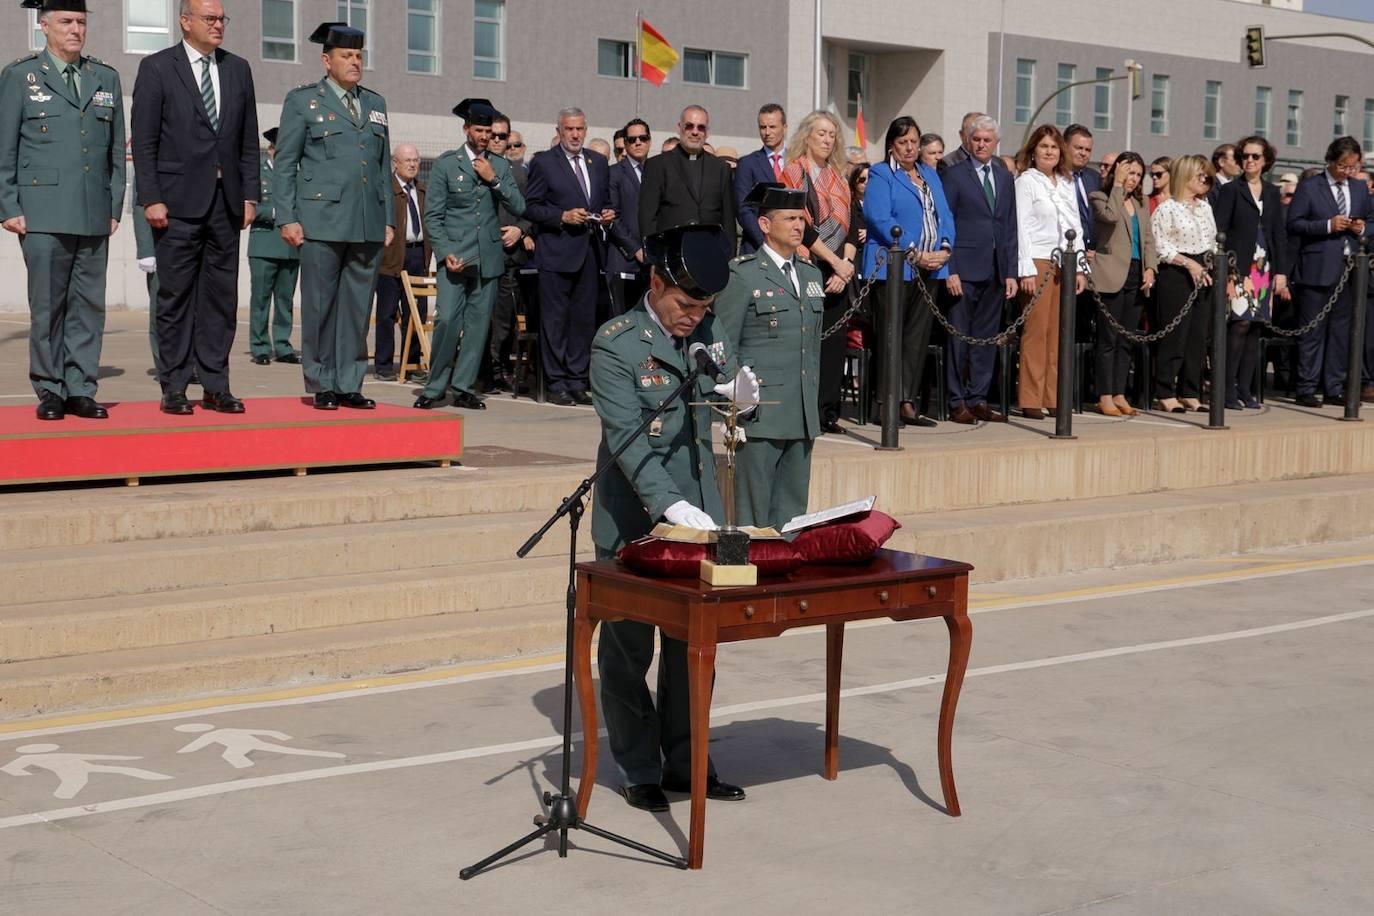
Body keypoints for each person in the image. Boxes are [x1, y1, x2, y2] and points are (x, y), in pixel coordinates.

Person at [590, 225, 755, 813]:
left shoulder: (706, 329)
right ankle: (639, 768)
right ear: (655, 283)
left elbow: (724, 396)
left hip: (700, 516)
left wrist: (741, 400)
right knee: (628, 649)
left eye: (704, 308)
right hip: (636, 517)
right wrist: (669, 506)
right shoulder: (616, 344)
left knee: (694, 645)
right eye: (685, 305)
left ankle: (688, 762)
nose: (694, 317)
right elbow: (629, 441)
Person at [132, 0, 258, 416]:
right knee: (175, 297)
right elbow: (144, 141)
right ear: (185, 21)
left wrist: (250, 195)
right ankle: (174, 386)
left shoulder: (238, 69)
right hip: (176, 204)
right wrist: (151, 197)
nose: (218, 25)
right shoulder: (157, 68)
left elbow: (247, 140)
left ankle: (216, 386)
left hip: (226, 204)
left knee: (221, 300)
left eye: (222, 18)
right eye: (210, 18)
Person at [0, 0, 124, 421]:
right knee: (49, 305)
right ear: (44, 26)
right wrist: (8, 205)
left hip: (93, 211)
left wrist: (114, 205)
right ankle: (50, 388)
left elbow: (115, 153)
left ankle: (81, 388)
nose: (75, 29)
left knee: (88, 306)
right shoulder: (21, 76)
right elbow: (5, 148)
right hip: (42, 212)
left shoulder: (105, 77)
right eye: (67, 21)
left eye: (81, 22)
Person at [273, 22, 393, 411]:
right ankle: (322, 382)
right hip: (320, 221)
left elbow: (381, 166)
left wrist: (388, 219)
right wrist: (287, 216)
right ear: (327, 61)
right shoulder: (304, 101)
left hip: (366, 222)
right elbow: (285, 162)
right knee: (320, 307)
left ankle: (349, 382)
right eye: (346, 55)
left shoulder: (375, 104)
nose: (355, 62)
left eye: (359, 55)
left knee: (357, 310)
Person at [715, 183, 822, 527]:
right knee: (754, 518)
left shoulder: (810, 273)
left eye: (801, 219)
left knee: (792, 518)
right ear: (764, 224)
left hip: (801, 413)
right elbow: (722, 342)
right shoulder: (743, 274)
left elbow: (811, 346)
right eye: (789, 218)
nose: (798, 226)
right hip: (761, 413)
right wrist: (736, 394)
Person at [415, 99, 524, 412]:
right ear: (466, 129)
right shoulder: (447, 165)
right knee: (447, 319)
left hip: (487, 258)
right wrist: (445, 251)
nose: (485, 136)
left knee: (477, 327)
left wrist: (494, 179)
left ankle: (463, 388)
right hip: (455, 257)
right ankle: (435, 387)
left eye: (489, 131)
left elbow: (519, 206)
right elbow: (433, 216)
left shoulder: (500, 165)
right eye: (479, 130)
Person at [862, 115, 954, 427]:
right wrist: (916, 252)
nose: (910, 147)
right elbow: (878, 217)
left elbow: (945, 215)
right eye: (903, 142)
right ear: (892, 145)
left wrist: (945, 248)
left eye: (914, 141)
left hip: (931, 268)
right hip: (894, 266)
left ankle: (906, 401)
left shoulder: (929, 174)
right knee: (891, 336)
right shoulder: (881, 173)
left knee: (916, 337)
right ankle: (884, 403)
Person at [523, 107, 612, 406]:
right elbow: (530, 207)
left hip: (589, 252)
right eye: (569, 129)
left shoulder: (598, 162)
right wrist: (561, 216)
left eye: (579, 129)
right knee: (555, 321)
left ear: (586, 129)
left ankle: (576, 380)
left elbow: (606, 202)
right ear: (559, 131)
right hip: (557, 253)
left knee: (583, 321)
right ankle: (556, 381)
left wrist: (609, 214)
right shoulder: (544, 162)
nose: (575, 134)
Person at [780, 110, 855, 433]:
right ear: (807, 136)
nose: (827, 139)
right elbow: (800, 225)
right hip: (807, 265)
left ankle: (827, 411)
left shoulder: (840, 177)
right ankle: (803, 410)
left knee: (834, 344)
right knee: (806, 341)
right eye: (821, 133)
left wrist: (844, 267)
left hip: (839, 271)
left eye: (832, 134)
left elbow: (853, 227)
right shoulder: (793, 172)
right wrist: (833, 262)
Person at [941, 114, 1017, 424]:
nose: (982, 144)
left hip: (995, 269)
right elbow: (946, 223)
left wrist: (1010, 271)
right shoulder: (954, 174)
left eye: (987, 140)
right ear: (968, 141)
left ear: (996, 142)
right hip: (964, 268)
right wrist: (950, 269)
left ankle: (978, 398)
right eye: (977, 139)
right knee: (958, 338)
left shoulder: (1003, 176)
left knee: (986, 339)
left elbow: (1009, 225)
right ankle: (956, 400)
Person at [1286, 136, 1373, 408]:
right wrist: (1327, 225)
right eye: (1343, 166)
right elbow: (1294, 223)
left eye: (1353, 166)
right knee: (1312, 330)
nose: (1348, 171)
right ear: (1330, 161)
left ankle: (1334, 387)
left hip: (1350, 269)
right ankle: (1306, 387)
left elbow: (1371, 220)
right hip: (1317, 268)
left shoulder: (1359, 187)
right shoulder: (1311, 187)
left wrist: (1361, 228)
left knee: (1340, 332)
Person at [1013, 124, 1085, 420]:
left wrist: (1079, 267)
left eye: (1054, 147)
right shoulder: (1026, 181)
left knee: (1058, 334)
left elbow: (1076, 227)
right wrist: (1026, 269)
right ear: (1033, 150)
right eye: (1043, 146)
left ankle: (1053, 395)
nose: (1049, 152)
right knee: (1037, 331)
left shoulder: (1066, 183)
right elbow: (1021, 227)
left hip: (1064, 262)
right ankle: (1031, 397)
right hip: (1039, 260)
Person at [1213, 136, 1289, 410]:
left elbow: (1278, 233)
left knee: (1256, 327)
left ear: (1265, 160)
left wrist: (1282, 272)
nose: (1249, 161)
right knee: (1239, 324)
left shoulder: (1272, 191)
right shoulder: (1232, 190)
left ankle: (1245, 389)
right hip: (1240, 267)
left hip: (1264, 268)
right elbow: (1220, 230)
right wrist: (1229, 271)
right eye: (1245, 156)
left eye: (1255, 156)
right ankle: (1226, 389)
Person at [1089, 152, 1157, 416]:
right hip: (1111, 274)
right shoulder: (1100, 197)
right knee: (1108, 339)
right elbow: (1110, 217)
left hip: (1136, 274)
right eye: (1129, 172)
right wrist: (1117, 185)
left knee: (1126, 339)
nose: (1134, 178)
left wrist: (1150, 267)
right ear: (1118, 171)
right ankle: (1104, 395)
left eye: (1138, 174)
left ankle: (1119, 393)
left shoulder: (1141, 203)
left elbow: (1148, 238)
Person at [1150, 154, 1216, 413]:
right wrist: (1188, 264)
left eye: (1208, 176)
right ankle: (1165, 391)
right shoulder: (1167, 208)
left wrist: (1210, 265)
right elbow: (1160, 246)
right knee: (1175, 334)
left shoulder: (1205, 207)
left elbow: (1212, 240)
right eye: (1201, 175)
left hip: (1204, 270)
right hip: (1176, 272)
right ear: (1185, 176)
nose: (1206, 180)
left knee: (1197, 335)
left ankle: (1190, 390)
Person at [639, 105, 737, 257]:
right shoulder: (657, 165)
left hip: (710, 255)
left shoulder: (721, 168)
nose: (695, 132)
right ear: (679, 128)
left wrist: (729, 258)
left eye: (701, 127)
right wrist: (653, 258)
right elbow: (647, 218)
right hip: (670, 256)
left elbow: (728, 220)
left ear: (707, 132)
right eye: (689, 126)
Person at [371, 143, 430, 382]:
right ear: (395, 163)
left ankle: (412, 363)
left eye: (416, 160)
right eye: (408, 160)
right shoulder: (386, 189)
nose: (413, 164)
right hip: (391, 257)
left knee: (416, 313)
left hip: (418, 255)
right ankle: (384, 365)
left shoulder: (423, 190)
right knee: (386, 313)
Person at [486, 113, 533, 392]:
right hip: (480, 256)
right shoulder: (474, 166)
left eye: (502, 136)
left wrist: (521, 229)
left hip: (509, 257)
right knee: (481, 321)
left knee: (504, 321)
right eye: (492, 135)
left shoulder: (520, 173)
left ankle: (500, 369)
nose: (497, 140)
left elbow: (532, 209)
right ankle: (482, 371)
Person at [247, 127, 301, 368]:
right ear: (271, 149)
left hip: (290, 246)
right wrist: (277, 213)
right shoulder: (257, 173)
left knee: (285, 299)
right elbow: (248, 207)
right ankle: (260, 346)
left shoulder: (297, 174)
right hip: (264, 243)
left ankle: (282, 345)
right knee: (260, 298)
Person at [606, 118, 649, 317]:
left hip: (652, 263)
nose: (638, 142)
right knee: (623, 321)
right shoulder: (614, 173)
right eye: (632, 139)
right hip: (624, 260)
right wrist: (635, 249)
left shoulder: (656, 171)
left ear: (649, 141)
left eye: (643, 138)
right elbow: (612, 216)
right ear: (625, 143)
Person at [735, 103, 788, 255]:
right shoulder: (747, 163)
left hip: (791, 246)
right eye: (763, 127)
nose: (767, 132)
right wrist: (767, 243)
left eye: (772, 127)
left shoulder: (797, 161)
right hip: (757, 247)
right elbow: (743, 209)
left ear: (784, 128)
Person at [1064, 124, 1100, 253]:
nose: (1083, 153)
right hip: (1065, 250)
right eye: (1078, 148)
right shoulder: (1053, 177)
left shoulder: (1095, 178)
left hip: (1091, 254)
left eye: (1088, 150)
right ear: (1064, 146)